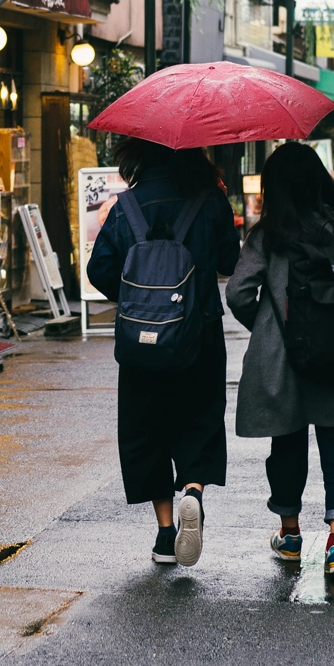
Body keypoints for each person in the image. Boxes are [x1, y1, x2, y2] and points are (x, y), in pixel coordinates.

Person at [225, 140, 334, 580]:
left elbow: (239, 293)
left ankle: (290, 534)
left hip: (288, 361)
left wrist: (270, 326)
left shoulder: (267, 235)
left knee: (286, 443)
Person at [87, 139, 241, 569]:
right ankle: (193, 490)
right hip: (200, 335)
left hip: (141, 341)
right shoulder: (210, 199)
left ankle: (164, 533)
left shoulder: (125, 207)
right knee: (200, 418)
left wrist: (139, 301)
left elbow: (97, 270)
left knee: (147, 427)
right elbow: (231, 260)